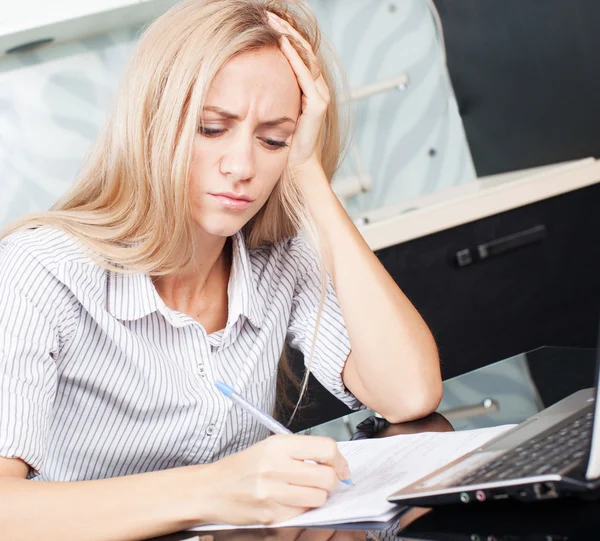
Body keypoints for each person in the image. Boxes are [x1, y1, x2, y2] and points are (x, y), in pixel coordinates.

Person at [0, 0, 442, 539]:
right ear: (151, 125)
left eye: (274, 139)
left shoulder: (278, 256)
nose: (242, 167)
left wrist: (310, 178)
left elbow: (409, 395)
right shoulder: (38, 271)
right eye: (211, 129)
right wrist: (211, 489)